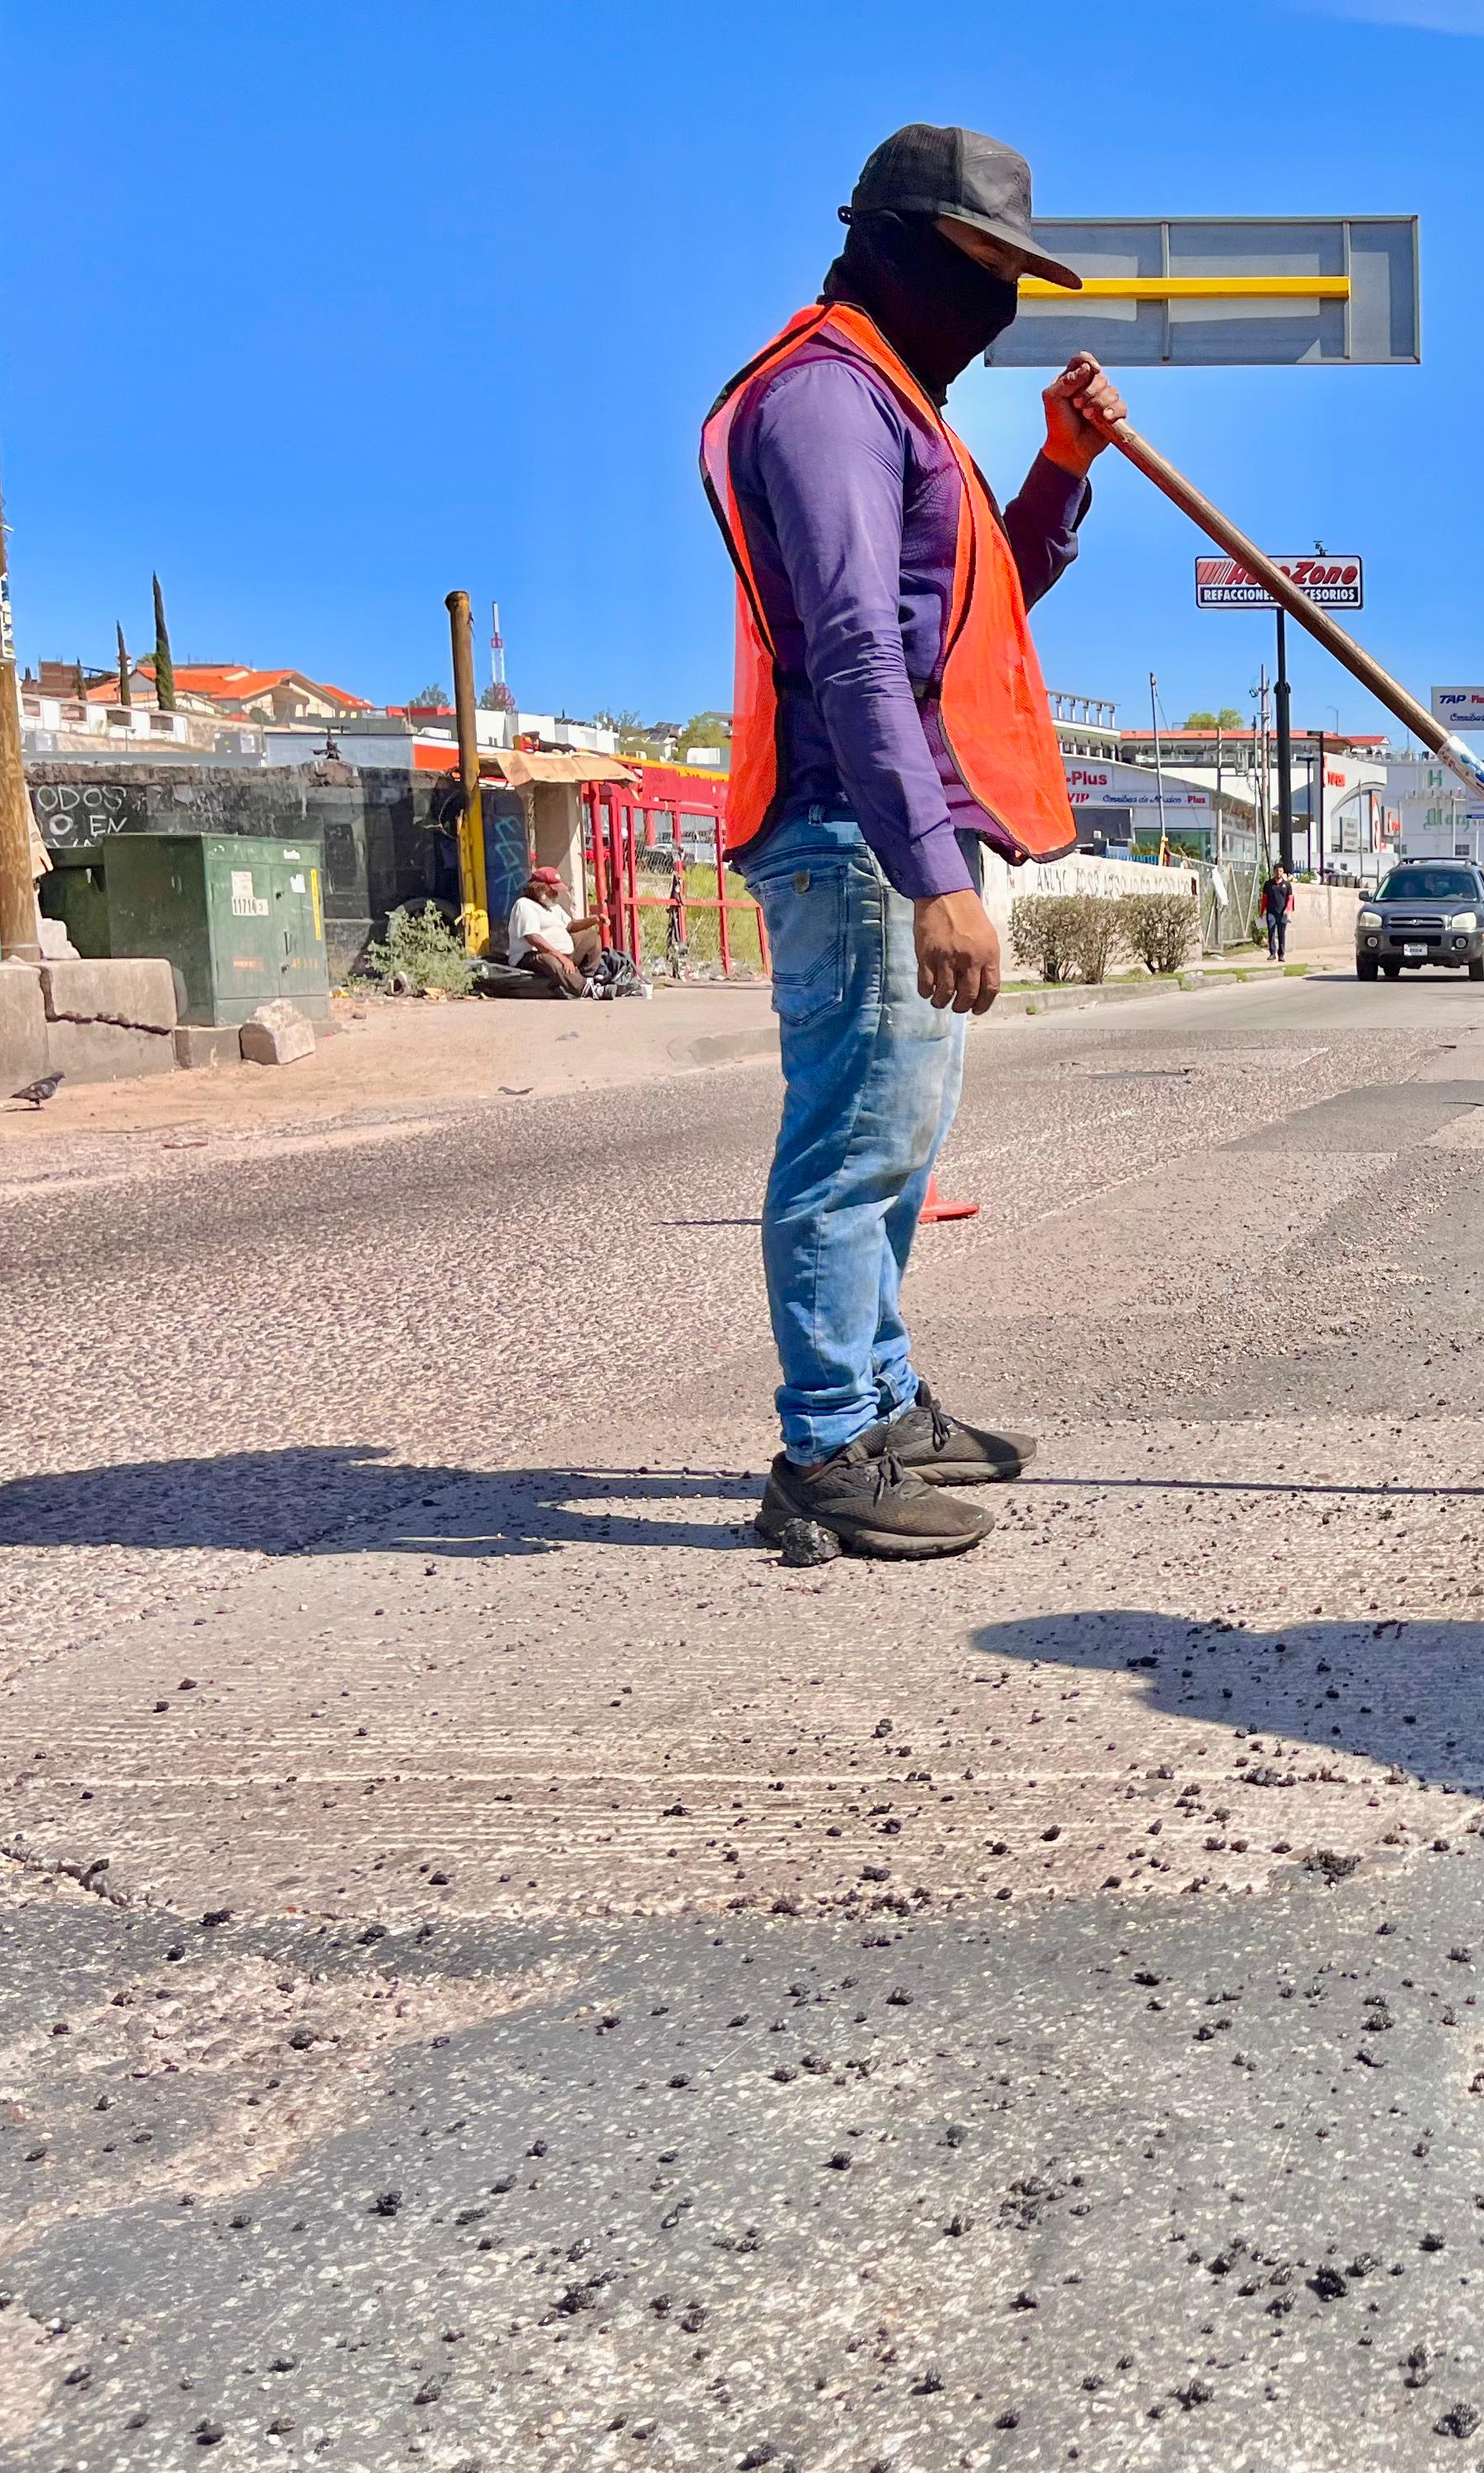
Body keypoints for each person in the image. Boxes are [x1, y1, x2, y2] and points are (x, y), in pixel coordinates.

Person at [698, 123, 1130, 1561]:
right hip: (854, 826)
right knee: (847, 1144)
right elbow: (857, 656)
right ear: (890, 241)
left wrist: (1059, 468)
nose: (999, 298)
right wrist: (933, 872)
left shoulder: (901, 403)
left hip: (887, 821)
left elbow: (973, 604)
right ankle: (827, 1444)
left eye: (1018, 271)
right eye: (980, 262)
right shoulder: (826, 399)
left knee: (895, 1140)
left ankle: (880, 1397)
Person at [500, 863, 599, 997]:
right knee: (552, 961)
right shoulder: (524, 905)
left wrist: (593, 920)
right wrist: (559, 956)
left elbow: (570, 925)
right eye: (553, 890)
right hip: (532, 956)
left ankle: (588, 978)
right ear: (540, 889)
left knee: (591, 938)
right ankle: (584, 988)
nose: (557, 893)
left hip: (562, 953)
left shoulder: (552, 905)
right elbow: (533, 938)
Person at [1259, 863, 1294, 961]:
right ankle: (1272, 953)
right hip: (1271, 912)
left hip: (1282, 913)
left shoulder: (1287, 885)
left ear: (1283, 872)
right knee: (1271, 931)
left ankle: (1281, 954)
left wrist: (1287, 910)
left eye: (1280, 871)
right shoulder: (1268, 884)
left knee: (1281, 933)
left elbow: (1290, 899)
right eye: (1277, 871)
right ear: (1274, 872)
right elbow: (1264, 899)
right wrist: (1262, 911)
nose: (1278, 873)